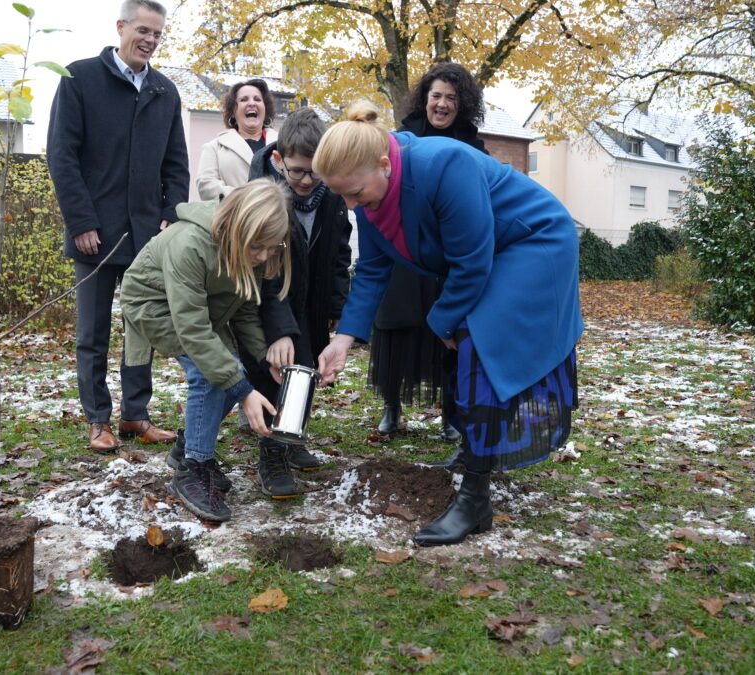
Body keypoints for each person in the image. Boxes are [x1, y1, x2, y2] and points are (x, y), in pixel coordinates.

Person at [314, 102, 583, 547]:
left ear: (385, 164)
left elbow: (472, 263)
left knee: (477, 340)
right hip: (491, 252)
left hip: (534, 242)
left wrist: (441, 322)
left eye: (355, 194)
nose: (350, 206)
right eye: (341, 196)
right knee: (463, 339)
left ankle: (476, 499)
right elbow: (376, 269)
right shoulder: (366, 190)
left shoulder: (443, 164)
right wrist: (342, 339)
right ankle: (473, 449)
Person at [47, 0, 187, 451]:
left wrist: (172, 212)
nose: (149, 40)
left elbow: (176, 163)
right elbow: (61, 156)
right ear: (121, 26)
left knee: (141, 328)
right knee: (93, 331)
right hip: (95, 235)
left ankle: (136, 415)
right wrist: (81, 221)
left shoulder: (165, 92)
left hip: (148, 235)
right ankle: (98, 419)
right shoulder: (80, 78)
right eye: (142, 30)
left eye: (157, 34)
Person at [121, 179, 293, 522]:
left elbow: (243, 308)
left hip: (198, 311)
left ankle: (188, 447)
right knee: (212, 374)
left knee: (232, 373)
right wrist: (244, 392)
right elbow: (194, 331)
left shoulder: (246, 247)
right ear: (238, 227)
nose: (261, 258)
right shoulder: (190, 245)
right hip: (153, 304)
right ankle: (193, 469)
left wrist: (262, 358)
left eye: (271, 249)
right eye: (257, 248)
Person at [232, 107, 352, 494]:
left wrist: (337, 305)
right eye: (297, 171)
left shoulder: (332, 194)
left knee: (306, 370)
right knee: (274, 372)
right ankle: (271, 454)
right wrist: (280, 328)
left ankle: (291, 437)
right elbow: (264, 273)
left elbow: (338, 252)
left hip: (314, 303)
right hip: (273, 300)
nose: (306, 180)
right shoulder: (264, 192)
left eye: (315, 171)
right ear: (280, 160)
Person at [371, 63, 488, 446]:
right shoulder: (401, 139)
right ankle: (392, 407)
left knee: (449, 333)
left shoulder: (473, 145)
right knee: (398, 326)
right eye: (436, 96)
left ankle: (451, 415)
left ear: (462, 104)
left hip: (449, 257)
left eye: (451, 98)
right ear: (425, 99)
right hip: (405, 250)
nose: (441, 104)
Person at [196, 79, 278, 200]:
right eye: (244, 99)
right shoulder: (214, 147)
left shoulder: (283, 144)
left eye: (257, 99)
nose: (252, 103)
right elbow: (206, 185)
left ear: (265, 110)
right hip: (234, 216)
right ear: (233, 112)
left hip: (277, 216)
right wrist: (245, 198)